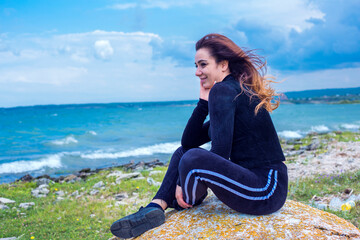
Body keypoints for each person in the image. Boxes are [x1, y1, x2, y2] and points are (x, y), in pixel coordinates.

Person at [110, 33, 288, 239]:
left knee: (192, 157)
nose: (197, 72)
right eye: (196, 65)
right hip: (258, 184)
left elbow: (219, 154)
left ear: (223, 65)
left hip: (266, 190)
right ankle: (155, 207)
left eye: (203, 64)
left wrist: (181, 182)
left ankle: (182, 199)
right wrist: (203, 103)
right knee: (184, 153)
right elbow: (188, 142)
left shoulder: (224, 91)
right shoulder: (233, 91)